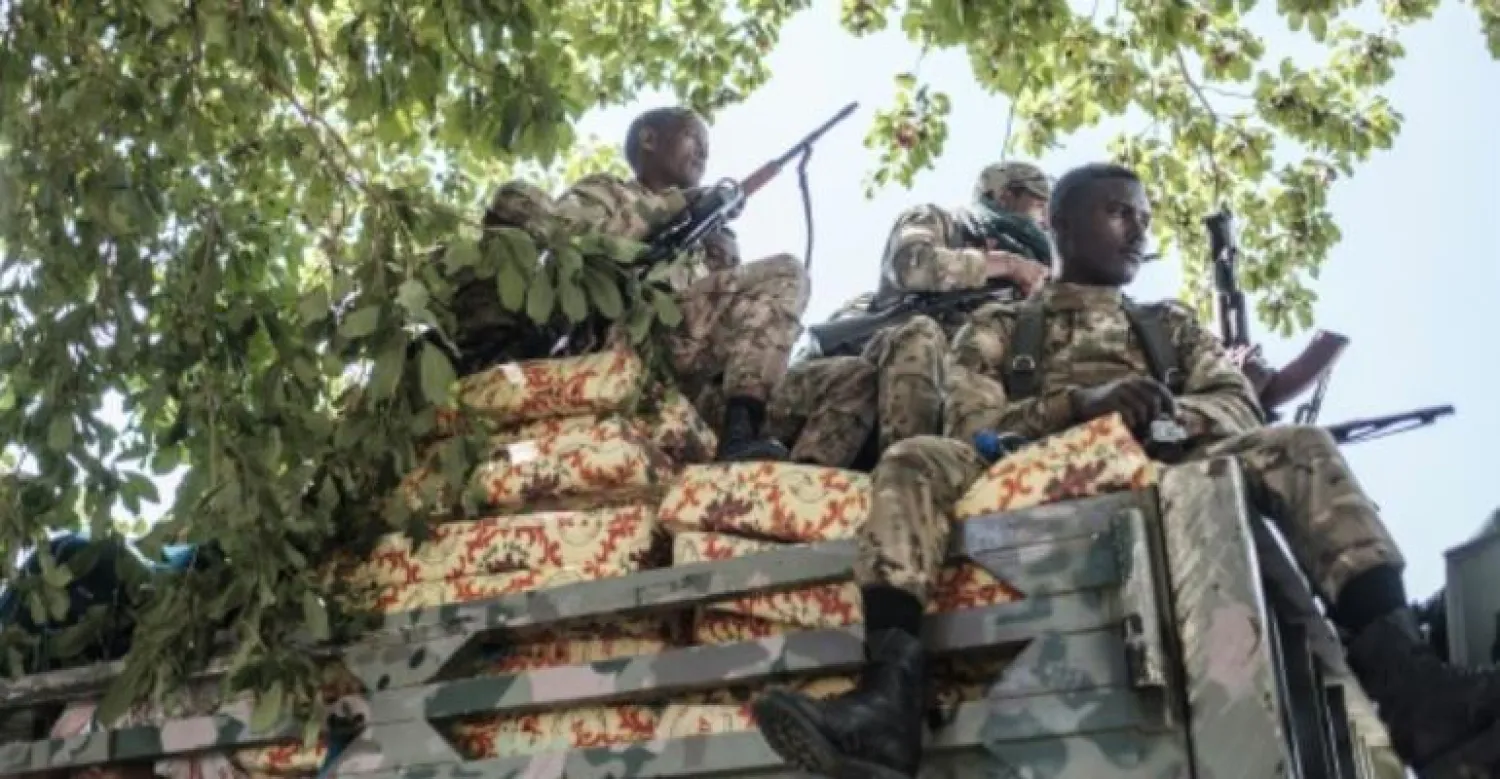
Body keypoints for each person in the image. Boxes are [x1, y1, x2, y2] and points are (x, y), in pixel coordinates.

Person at [751, 162, 1500, 779]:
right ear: (1063, 227)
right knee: (914, 457)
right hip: (1030, 463)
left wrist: (1164, 417)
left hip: (1164, 459)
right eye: (1118, 212)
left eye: (1142, 217)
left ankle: (1413, 688)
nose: (1139, 228)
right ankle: (887, 702)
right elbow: (972, 426)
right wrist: (1083, 405)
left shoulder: (1168, 324)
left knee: (1300, 450)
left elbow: (1237, 408)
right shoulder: (1004, 324)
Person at [541, 106, 811, 461]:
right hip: (619, 335)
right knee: (784, 272)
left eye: (707, 148)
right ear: (649, 139)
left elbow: (740, 318)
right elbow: (571, 244)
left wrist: (717, 243)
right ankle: (740, 434)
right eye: (693, 139)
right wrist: (678, 205)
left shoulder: (704, 239)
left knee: (837, 377)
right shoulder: (606, 191)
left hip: (687, 370)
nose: (702, 153)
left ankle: (752, 441)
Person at [764, 162, 1054, 469]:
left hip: (960, 392)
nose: (1045, 223)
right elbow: (911, 264)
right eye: (1039, 207)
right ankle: (908, 475)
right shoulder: (942, 221)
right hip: (878, 372)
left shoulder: (1042, 277)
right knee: (920, 334)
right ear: (1005, 196)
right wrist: (1005, 265)